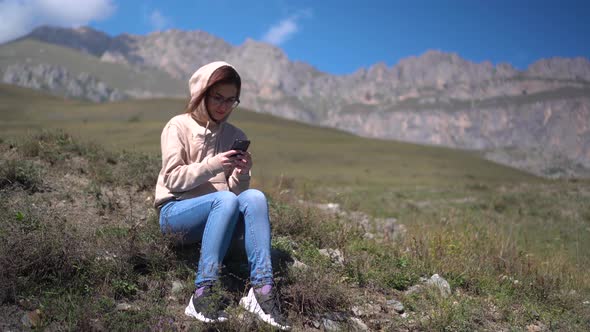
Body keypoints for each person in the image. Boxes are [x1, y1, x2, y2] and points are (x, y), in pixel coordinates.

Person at [153, 61, 290, 330]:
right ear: (201, 94)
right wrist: (214, 165)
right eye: (217, 98)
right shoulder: (177, 126)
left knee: (255, 197)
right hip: (175, 213)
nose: (223, 106)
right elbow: (173, 180)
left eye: (231, 100)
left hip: (220, 215)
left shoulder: (235, 135)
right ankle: (202, 294)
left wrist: (242, 173)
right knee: (225, 200)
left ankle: (261, 291)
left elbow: (236, 196)